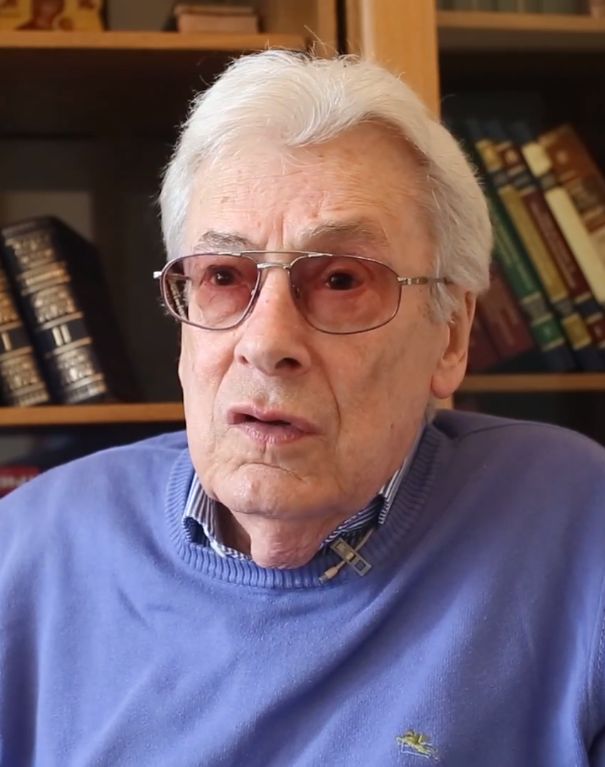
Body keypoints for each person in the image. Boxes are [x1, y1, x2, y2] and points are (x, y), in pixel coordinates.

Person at [1, 50, 604, 767]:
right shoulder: (28, 546)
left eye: (342, 279)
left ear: (450, 335)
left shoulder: (579, 528)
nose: (266, 344)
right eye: (223, 276)